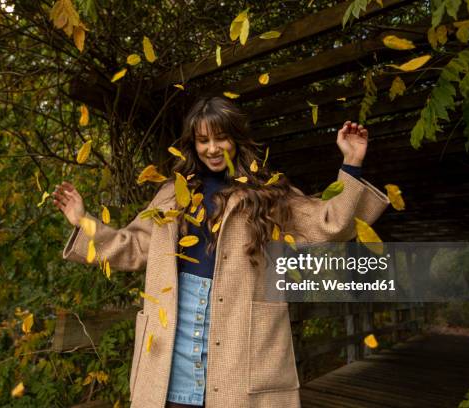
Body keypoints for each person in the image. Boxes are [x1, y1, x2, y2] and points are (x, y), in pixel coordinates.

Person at [52, 96, 389, 408]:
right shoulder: (172, 195)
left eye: (221, 138)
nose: (213, 148)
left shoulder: (268, 194)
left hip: (239, 354)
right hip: (172, 356)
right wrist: (83, 220)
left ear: (237, 139)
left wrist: (351, 162)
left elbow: (328, 224)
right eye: (203, 140)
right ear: (193, 144)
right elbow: (132, 247)